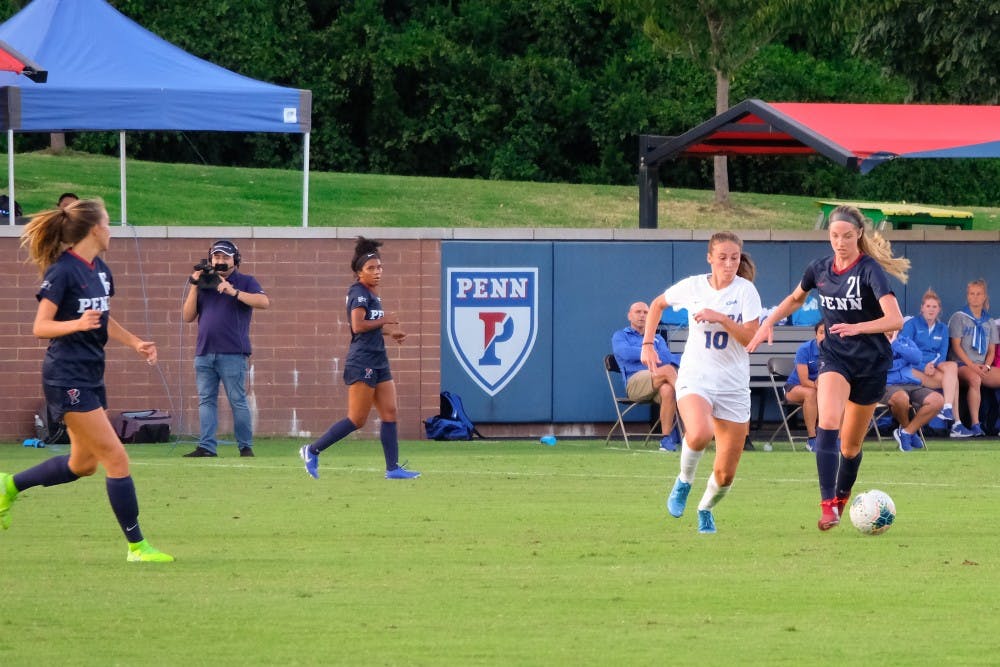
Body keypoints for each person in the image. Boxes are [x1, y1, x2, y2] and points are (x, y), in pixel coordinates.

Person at [0, 199, 173, 562]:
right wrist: (76, 325)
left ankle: (8, 486)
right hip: (67, 377)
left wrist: (136, 342)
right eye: (109, 223)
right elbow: (40, 326)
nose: (112, 229)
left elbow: (104, 319)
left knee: (83, 465)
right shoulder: (62, 271)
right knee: (116, 458)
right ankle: (137, 547)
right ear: (94, 229)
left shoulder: (101, 270)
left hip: (91, 375)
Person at [748, 204, 909, 531]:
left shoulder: (869, 270)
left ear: (859, 235)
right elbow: (795, 298)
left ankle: (841, 497)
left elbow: (894, 319)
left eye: (847, 236)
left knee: (850, 448)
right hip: (835, 358)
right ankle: (827, 508)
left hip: (871, 364)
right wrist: (769, 322)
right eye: (834, 235)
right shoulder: (819, 268)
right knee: (829, 421)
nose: (840, 242)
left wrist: (859, 328)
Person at [641, 231, 762, 534]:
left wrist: (722, 318)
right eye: (722, 257)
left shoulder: (746, 292)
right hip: (696, 377)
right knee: (699, 433)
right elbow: (657, 305)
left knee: (725, 476)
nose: (729, 263)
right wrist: (648, 343)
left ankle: (705, 508)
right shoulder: (693, 286)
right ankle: (684, 480)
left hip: (733, 387)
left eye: (734, 257)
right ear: (709, 258)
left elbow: (751, 339)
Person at [299, 237, 420, 480]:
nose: (377, 272)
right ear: (359, 273)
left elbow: (371, 325)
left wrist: (390, 332)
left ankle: (393, 468)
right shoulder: (358, 293)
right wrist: (385, 321)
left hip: (379, 360)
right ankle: (312, 450)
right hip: (362, 361)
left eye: (379, 267)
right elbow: (358, 326)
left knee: (390, 412)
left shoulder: (373, 294)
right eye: (371, 269)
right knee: (357, 419)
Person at [182, 239, 270, 457]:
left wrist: (234, 292)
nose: (220, 261)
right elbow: (187, 316)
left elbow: (263, 302)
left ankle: (245, 446)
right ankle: (207, 447)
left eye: (225, 257)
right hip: (204, 352)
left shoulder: (246, 281)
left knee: (237, 400)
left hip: (233, 352)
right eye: (217, 257)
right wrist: (194, 286)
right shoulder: (205, 283)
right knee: (206, 401)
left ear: (235, 260)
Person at [611, 301, 681, 451]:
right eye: (638, 312)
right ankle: (688, 403)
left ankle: (666, 439)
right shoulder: (620, 336)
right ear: (630, 316)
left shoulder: (657, 338)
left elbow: (666, 357)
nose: (642, 315)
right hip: (635, 383)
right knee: (669, 370)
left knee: (668, 390)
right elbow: (625, 353)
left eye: (646, 312)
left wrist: (646, 353)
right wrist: (647, 351)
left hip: (657, 381)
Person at [900, 289, 967, 437]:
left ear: (939, 310)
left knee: (952, 366)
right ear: (922, 308)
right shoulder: (912, 324)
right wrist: (923, 365)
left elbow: (942, 354)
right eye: (928, 306)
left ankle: (947, 407)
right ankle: (956, 423)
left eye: (934, 307)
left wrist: (932, 365)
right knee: (952, 380)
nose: (931, 310)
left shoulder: (942, 328)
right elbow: (905, 352)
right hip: (912, 368)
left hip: (933, 367)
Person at [947, 278, 1000, 437]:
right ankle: (976, 425)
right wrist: (971, 366)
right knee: (975, 379)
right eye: (972, 294)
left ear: (984, 297)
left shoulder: (989, 321)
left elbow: (992, 350)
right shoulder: (959, 317)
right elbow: (956, 347)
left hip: (981, 366)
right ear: (967, 296)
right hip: (961, 365)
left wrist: (988, 366)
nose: (975, 297)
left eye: (979, 294)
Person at [883, 330, 944, 451]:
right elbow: (884, 364)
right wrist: (904, 359)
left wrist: (895, 344)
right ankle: (907, 429)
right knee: (901, 397)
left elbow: (916, 358)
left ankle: (907, 432)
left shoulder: (904, 341)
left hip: (910, 383)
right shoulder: (874, 341)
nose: (891, 329)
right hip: (886, 384)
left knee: (937, 400)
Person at [783, 321, 825, 452]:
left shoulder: (836, 351)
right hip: (795, 387)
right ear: (816, 334)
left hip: (822, 390)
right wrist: (822, 388)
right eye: (821, 333)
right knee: (811, 393)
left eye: (827, 333)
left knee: (842, 395)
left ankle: (837, 439)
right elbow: (804, 380)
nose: (824, 336)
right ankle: (812, 439)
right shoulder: (805, 349)